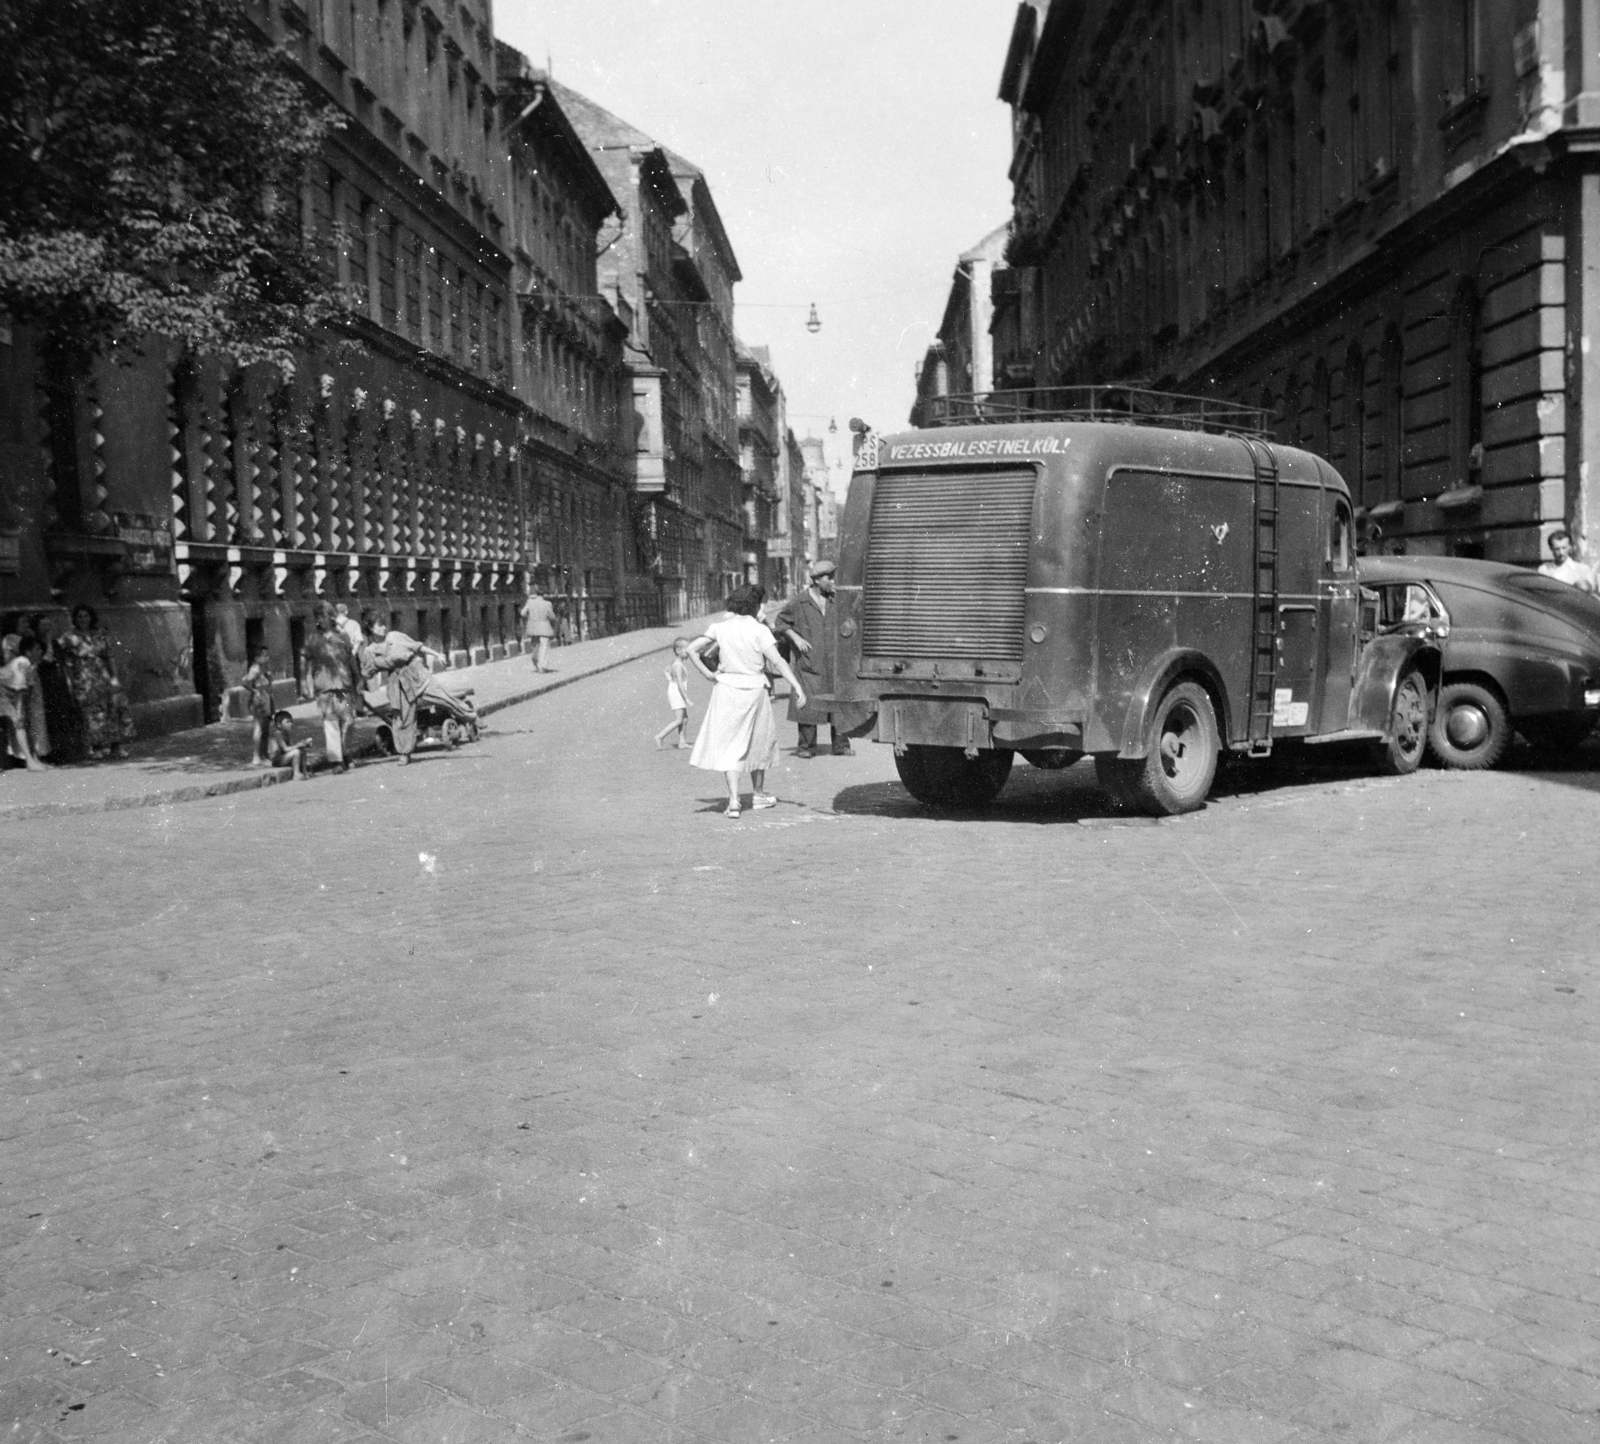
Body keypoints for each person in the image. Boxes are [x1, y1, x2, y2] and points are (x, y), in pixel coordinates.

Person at [686, 583, 807, 818]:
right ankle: (758, 794)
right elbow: (779, 662)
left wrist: (708, 674)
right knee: (758, 741)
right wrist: (796, 685)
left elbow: (692, 649)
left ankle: (733, 800)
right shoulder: (759, 630)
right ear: (755, 606)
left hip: (726, 689)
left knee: (731, 744)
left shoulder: (720, 627)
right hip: (754, 688)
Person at [771, 559, 852, 759]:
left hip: (834, 661)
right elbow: (780, 622)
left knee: (838, 702)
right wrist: (796, 638)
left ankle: (841, 744)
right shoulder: (800, 601)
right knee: (807, 703)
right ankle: (806, 746)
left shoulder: (837, 600)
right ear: (816, 580)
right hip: (809, 661)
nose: (832, 581)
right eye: (829, 578)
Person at [361, 611, 449, 765]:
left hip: (412, 678)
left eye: (384, 624)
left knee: (441, 698)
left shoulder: (394, 638)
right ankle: (404, 753)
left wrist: (437, 655)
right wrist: (359, 686)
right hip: (395, 684)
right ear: (371, 628)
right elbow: (367, 672)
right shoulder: (370, 651)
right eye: (379, 625)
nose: (384, 628)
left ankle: (467, 713)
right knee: (401, 717)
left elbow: (417, 647)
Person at [58, 604, 136, 759]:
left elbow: (109, 656)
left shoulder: (100, 634)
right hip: (83, 677)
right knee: (91, 713)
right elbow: (66, 663)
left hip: (102, 675)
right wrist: (70, 683)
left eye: (86, 616)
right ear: (75, 619)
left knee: (112, 708)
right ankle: (97, 747)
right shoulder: (68, 638)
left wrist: (114, 677)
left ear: (91, 617)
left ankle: (116, 745)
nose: (83, 620)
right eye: (80, 617)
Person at [300, 601, 362, 772]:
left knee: (349, 721)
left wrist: (358, 678)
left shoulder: (343, 637)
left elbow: (351, 660)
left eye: (323, 616)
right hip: (324, 687)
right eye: (317, 617)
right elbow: (304, 658)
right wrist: (304, 682)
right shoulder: (312, 639)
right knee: (331, 722)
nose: (320, 620)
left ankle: (344, 751)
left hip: (343, 685)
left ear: (331, 617)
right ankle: (336, 761)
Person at [30, 614, 82, 762]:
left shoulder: (54, 642)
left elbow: (61, 662)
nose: (47, 628)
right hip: (44, 683)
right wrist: (48, 642)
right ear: (37, 627)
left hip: (57, 683)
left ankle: (63, 750)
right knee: (50, 717)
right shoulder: (37, 643)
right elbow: (47, 659)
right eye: (43, 625)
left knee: (62, 716)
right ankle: (52, 753)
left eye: (49, 624)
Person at [0, 634, 47, 770]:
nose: (40, 652)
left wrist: (23, 708)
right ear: (27, 651)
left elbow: (28, 690)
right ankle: (30, 761)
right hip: (4, 693)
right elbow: (20, 687)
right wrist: (20, 709)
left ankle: (33, 758)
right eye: (36, 649)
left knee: (23, 723)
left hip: (9, 694)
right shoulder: (22, 662)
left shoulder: (32, 665)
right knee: (19, 723)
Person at [653, 639, 694, 749]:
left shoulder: (675, 663)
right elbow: (680, 683)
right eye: (687, 649)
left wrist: (670, 680)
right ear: (678, 650)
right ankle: (660, 736)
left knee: (684, 719)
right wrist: (686, 697)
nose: (690, 652)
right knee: (679, 719)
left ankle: (682, 742)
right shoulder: (678, 666)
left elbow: (666, 670)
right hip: (677, 694)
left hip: (675, 692)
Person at [241, 646, 276, 766]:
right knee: (259, 727)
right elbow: (245, 682)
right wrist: (253, 690)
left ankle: (264, 754)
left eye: (267, 655)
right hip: (259, 700)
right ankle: (256, 756)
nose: (267, 657)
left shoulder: (264, 668)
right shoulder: (255, 669)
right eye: (264, 655)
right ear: (257, 658)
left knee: (266, 728)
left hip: (266, 699)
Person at [265, 709, 307, 780]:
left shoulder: (287, 733)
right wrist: (298, 745)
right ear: (279, 724)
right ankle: (296, 774)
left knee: (302, 750)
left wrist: (302, 745)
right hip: (277, 760)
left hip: (284, 757)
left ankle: (305, 773)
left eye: (291, 722)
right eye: (287, 722)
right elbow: (286, 748)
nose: (290, 724)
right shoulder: (277, 734)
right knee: (296, 752)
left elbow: (291, 746)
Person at [521, 589, 557, 673]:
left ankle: (537, 665)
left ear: (536, 594)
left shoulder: (530, 602)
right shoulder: (547, 604)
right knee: (544, 647)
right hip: (544, 628)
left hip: (533, 628)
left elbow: (523, 613)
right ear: (543, 595)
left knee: (535, 647)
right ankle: (543, 667)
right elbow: (552, 617)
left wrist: (530, 617)